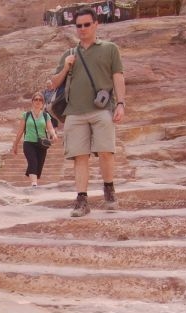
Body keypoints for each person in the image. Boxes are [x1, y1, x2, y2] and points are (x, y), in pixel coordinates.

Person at [48, 5, 126, 217]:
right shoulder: (70, 53)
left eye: (86, 25)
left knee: (106, 151)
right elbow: (52, 85)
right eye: (78, 25)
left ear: (95, 24)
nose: (82, 29)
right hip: (74, 112)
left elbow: (118, 76)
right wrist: (66, 67)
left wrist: (121, 103)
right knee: (79, 156)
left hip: (102, 109)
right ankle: (82, 199)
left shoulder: (109, 49)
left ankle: (109, 189)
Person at [11, 91, 58, 187]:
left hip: (41, 144)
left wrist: (53, 135)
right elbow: (20, 131)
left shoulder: (46, 115)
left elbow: (50, 128)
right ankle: (34, 183)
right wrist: (15, 144)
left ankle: (34, 181)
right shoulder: (26, 115)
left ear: (43, 102)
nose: (38, 101)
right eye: (36, 99)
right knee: (33, 162)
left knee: (39, 164)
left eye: (40, 100)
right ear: (32, 101)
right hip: (29, 142)